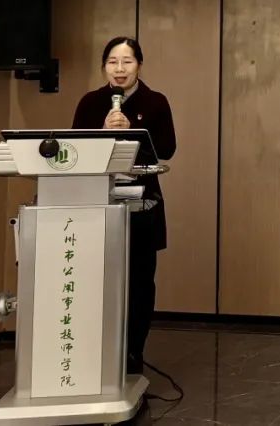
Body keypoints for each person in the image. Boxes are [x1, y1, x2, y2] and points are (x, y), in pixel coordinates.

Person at [72, 37, 176, 375]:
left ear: (139, 65)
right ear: (104, 66)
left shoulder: (155, 102)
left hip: (141, 205)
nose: (119, 69)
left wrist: (133, 131)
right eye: (112, 62)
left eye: (127, 61)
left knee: (140, 282)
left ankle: (133, 353)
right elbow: (74, 150)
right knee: (96, 279)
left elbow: (166, 150)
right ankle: (95, 352)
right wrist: (101, 131)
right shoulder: (90, 102)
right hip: (97, 202)